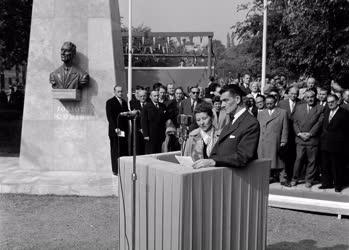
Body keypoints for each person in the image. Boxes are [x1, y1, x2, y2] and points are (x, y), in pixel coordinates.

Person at [192, 84, 260, 169]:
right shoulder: (231, 122)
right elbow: (216, 150)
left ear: (237, 99)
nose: (222, 105)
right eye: (221, 101)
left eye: (225, 100)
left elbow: (243, 156)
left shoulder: (250, 123)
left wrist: (214, 161)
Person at [291, 89, 324, 187]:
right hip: (300, 139)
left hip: (312, 139)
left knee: (312, 160)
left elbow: (319, 123)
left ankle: (309, 180)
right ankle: (295, 178)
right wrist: (299, 133)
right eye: (308, 97)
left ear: (315, 97)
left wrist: (310, 134)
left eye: (312, 97)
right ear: (305, 98)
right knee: (298, 159)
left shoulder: (320, 108)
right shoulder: (298, 107)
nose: (310, 99)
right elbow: (295, 122)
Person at [319, 94, 349, 192]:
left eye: (332, 102)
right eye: (328, 102)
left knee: (337, 166)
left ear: (337, 101)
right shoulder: (327, 111)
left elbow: (346, 131)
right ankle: (326, 183)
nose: (330, 104)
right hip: (325, 143)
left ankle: (338, 185)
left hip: (337, 145)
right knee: (325, 165)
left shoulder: (344, 113)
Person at [257, 95, 288, 184]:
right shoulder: (261, 113)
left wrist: (284, 140)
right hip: (263, 141)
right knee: (265, 161)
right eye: (267, 104)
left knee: (279, 161)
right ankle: (268, 177)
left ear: (275, 103)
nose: (269, 105)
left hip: (276, 141)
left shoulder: (282, 112)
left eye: (271, 103)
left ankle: (282, 178)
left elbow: (285, 128)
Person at [105, 85, 129, 175]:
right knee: (115, 150)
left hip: (123, 131)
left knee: (123, 150)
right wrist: (116, 128)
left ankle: (123, 169)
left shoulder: (124, 102)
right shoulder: (110, 102)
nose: (120, 93)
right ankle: (115, 170)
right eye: (118, 91)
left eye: (121, 91)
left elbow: (126, 115)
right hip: (115, 131)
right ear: (114, 92)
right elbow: (110, 117)